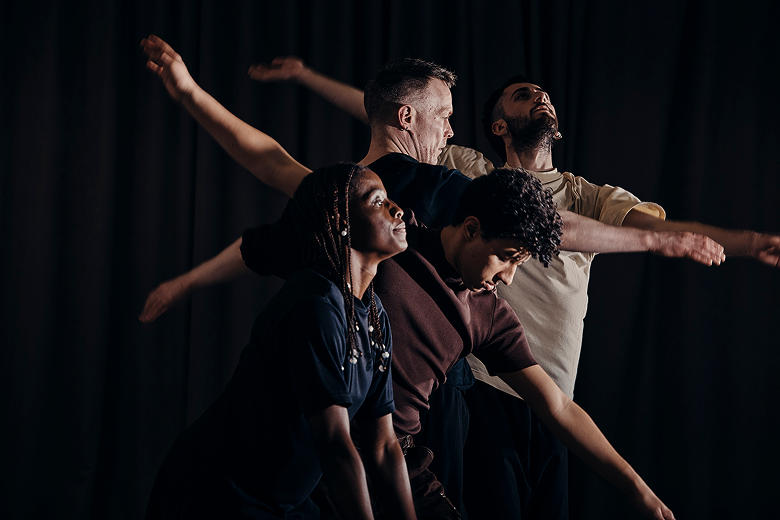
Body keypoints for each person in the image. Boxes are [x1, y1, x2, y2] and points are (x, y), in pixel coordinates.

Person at [139, 36, 719, 518]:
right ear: (468, 226)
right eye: (443, 117)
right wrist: (653, 239)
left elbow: (540, 412)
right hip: (257, 466)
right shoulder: (399, 201)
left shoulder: (447, 296)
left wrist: (638, 489)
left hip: (367, 444)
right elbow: (272, 181)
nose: (448, 133)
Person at [144, 163, 417, 520]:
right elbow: (335, 445)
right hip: (218, 494)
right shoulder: (315, 305)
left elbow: (383, 446)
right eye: (377, 201)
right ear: (341, 223)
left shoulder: (374, 314)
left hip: (282, 501)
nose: (397, 209)